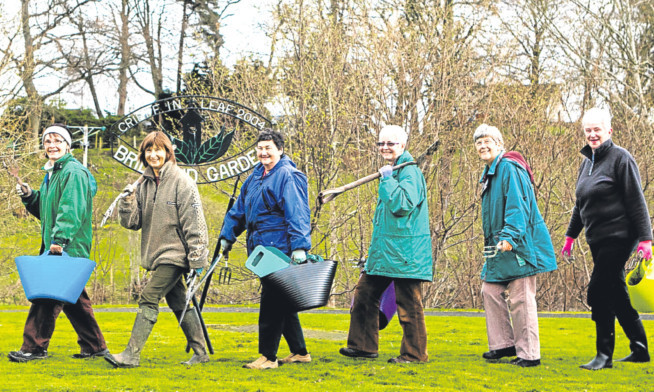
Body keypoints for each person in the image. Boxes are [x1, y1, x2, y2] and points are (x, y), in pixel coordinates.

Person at [104, 131, 209, 368]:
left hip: (175, 254)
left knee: (148, 297)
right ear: (143, 154)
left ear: (168, 152)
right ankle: (201, 353)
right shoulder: (143, 184)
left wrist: (197, 260)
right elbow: (132, 223)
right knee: (180, 302)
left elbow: (196, 224)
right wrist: (127, 201)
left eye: (158, 150)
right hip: (157, 253)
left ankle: (131, 354)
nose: (153, 155)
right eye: (148, 150)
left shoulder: (183, 183)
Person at [561, 108, 652, 370]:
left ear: (609, 130)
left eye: (597, 129)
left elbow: (637, 201)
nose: (592, 134)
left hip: (620, 236)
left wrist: (646, 239)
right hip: (597, 239)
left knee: (598, 291)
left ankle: (604, 355)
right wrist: (570, 235)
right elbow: (581, 203)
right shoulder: (586, 162)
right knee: (616, 291)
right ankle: (640, 348)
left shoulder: (621, 159)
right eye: (588, 130)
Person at [9, 124, 109, 362]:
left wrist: (59, 241)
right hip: (58, 245)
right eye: (47, 141)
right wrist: (30, 196)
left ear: (68, 145)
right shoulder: (54, 173)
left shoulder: (72, 172)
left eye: (57, 140)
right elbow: (46, 210)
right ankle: (95, 347)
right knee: (74, 299)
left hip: (67, 246)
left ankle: (33, 348)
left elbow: (70, 210)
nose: (51, 145)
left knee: (46, 296)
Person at [339, 125, 432, 364]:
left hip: (404, 253)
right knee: (365, 295)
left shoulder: (409, 173)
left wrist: (388, 180)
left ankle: (414, 354)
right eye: (381, 143)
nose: (384, 148)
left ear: (402, 145)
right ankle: (362, 346)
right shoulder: (396, 170)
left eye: (390, 143)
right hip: (385, 252)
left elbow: (402, 205)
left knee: (409, 305)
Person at [220, 129, 311, 370]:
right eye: (260, 148)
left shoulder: (288, 176)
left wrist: (300, 247)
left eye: (268, 148)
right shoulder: (255, 177)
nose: (263, 152)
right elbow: (239, 210)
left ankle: (268, 357)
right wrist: (227, 236)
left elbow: (297, 212)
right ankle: (300, 352)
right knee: (284, 301)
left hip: (280, 249)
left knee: (271, 303)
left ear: (280, 150)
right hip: (261, 249)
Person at [473, 124, 557, 368]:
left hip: (519, 245)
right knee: (490, 291)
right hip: (498, 248)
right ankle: (504, 345)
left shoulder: (509, 167)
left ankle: (530, 355)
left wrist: (510, 237)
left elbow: (517, 206)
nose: (483, 146)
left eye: (488, 141)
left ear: (500, 144)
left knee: (521, 298)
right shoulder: (490, 173)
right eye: (479, 142)